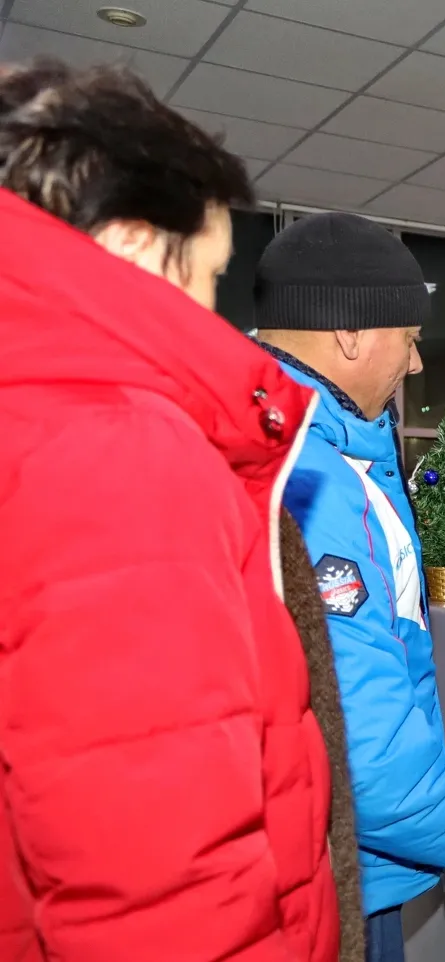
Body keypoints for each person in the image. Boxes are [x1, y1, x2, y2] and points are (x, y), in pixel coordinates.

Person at [0, 59, 358, 961]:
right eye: (208, 277)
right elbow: (160, 880)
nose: (215, 315)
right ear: (129, 247)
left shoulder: (30, 421)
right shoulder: (116, 447)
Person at [250, 212, 445, 962]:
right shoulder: (317, 477)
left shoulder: (276, 442)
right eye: (410, 337)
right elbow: (370, 760)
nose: (417, 365)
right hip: (328, 884)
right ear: (351, 335)